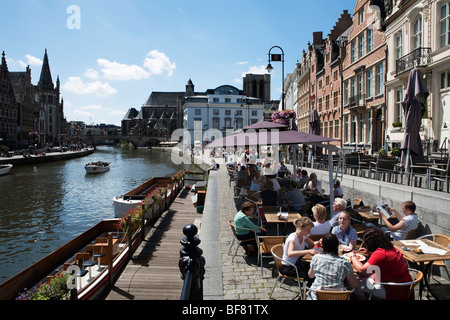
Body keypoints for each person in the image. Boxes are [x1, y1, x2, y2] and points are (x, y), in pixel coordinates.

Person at [351, 228, 413, 300]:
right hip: (403, 285)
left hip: (393, 290)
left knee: (355, 284)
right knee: (363, 278)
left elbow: (362, 271)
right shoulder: (391, 248)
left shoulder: (380, 254)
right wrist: (369, 252)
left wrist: (352, 256)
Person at [308, 233, 359, 299]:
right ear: (337, 245)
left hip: (317, 296)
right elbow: (355, 285)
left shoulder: (316, 258)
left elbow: (311, 275)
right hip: (338, 297)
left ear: (322, 246)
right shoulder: (344, 263)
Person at [281, 217, 317, 285]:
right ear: (301, 228)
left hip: (298, 263)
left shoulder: (303, 235)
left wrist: (321, 241)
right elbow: (290, 253)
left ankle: (310, 289)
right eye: (308, 230)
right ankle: (308, 292)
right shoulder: (293, 238)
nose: (309, 232)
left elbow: (312, 243)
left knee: (315, 270)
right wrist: (308, 251)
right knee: (312, 275)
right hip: (290, 267)